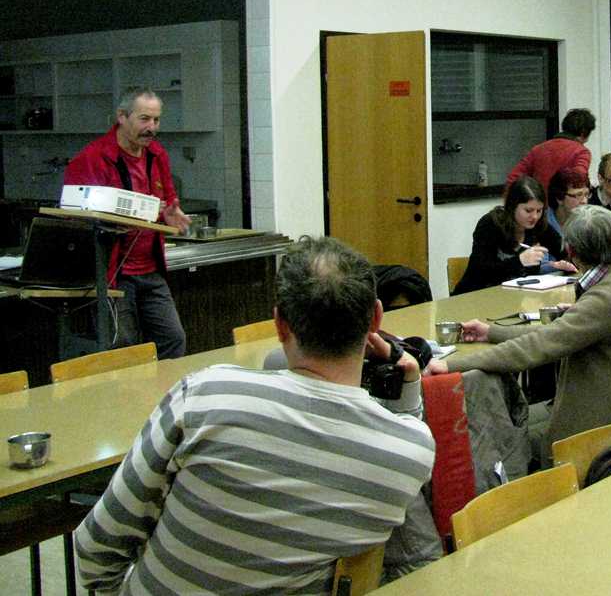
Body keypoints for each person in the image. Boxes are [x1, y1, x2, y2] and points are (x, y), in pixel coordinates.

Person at [75, 236, 436, 594]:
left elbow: (94, 547)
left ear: (279, 324)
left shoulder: (204, 396)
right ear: (376, 319)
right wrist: (407, 383)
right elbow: (408, 432)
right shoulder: (408, 452)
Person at [428, 205, 611, 465]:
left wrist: (451, 365)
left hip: (596, 431)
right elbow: (556, 334)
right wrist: (492, 332)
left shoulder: (610, 296)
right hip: (602, 405)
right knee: (509, 419)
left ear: (573, 251)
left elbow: (537, 347)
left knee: (495, 439)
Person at [62, 88, 192, 359]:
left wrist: (170, 213)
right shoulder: (93, 157)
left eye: (156, 120)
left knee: (173, 339)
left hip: (151, 269)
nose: (152, 127)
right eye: (144, 119)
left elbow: (168, 200)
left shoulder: (156, 154)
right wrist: (111, 224)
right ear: (122, 116)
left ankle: (165, 388)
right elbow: (74, 219)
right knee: (124, 348)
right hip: (114, 272)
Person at [453, 176, 572, 294]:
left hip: (517, 297)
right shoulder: (490, 224)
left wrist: (565, 264)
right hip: (476, 295)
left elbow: (563, 251)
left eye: (539, 210)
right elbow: (481, 271)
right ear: (512, 206)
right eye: (528, 210)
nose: (535, 216)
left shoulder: (539, 225)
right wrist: (519, 261)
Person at [505, 108, 596, 191]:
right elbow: (578, 179)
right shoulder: (581, 152)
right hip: (564, 202)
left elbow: (513, 177)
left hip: (539, 201)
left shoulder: (538, 149)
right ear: (583, 133)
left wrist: (513, 201)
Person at [545, 167, 590, 239]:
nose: (585, 201)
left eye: (586, 194)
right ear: (559, 198)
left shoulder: (588, 223)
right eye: (578, 195)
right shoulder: (541, 224)